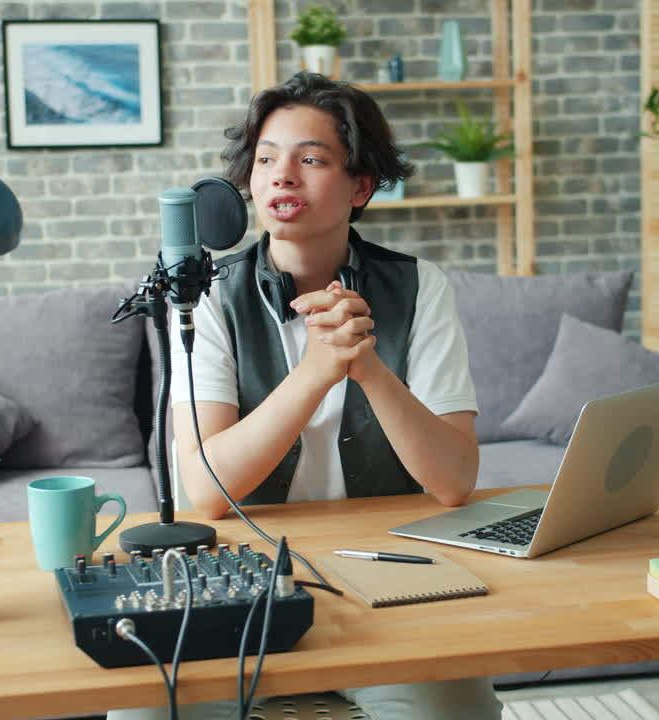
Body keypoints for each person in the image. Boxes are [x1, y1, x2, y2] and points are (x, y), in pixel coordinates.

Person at [109, 72, 500, 720]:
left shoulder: (419, 287)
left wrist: (366, 365)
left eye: (311, 159)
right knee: (141, 709)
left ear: (361, 186)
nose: (281, 176)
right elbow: (206, 490)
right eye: (266, 159)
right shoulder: (205, 297)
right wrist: (316, 372)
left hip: (387, 579)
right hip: (241, 582)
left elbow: (455, 481)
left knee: (459, 710)